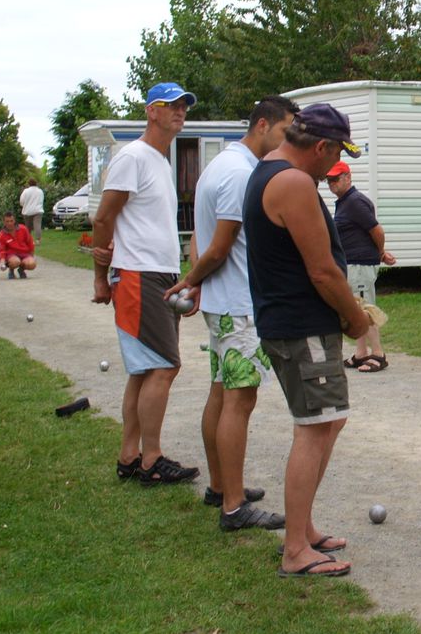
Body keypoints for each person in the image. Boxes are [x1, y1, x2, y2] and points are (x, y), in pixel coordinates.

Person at [244, 102, 370, 578]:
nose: (334, 163)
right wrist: (355, 319)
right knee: (315, 427)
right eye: (335, 152)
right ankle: (296, 550)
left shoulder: (267, 170)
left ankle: (305, 528)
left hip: (290, 322)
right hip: (301, 326)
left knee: (327, 422)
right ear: (321, 146)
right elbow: (322, 271)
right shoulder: (294, 182)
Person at [166, 96, 298, 531]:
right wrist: (193, 279)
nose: (287, 141)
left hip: (224, 305)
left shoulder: (220, 165)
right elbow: (219, 248)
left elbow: (200, 237)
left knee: (222, 394)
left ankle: (221, 486)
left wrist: (199, 280)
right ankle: (235, 507)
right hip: (239, 307)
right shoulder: (242, 175)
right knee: (240, 400)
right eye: (284, 132)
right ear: (262, 125)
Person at [91, 82, 201, 486]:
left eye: (183, 106)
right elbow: (103, 219)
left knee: (144, 371)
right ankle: (152, 459)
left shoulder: (160, 160)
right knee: (164, 366)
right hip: (138, 273)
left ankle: (129, 456)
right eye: (171, 105)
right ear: (151, 111)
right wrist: (102, 276)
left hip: (156, 273)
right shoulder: (132, 157)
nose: (180, 111)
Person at [326, 160, 396, 373]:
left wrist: (380, 253)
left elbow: (377, 231)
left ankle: (378, 354)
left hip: (360, 264)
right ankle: (361, 353)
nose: (332, 184)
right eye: (329, 180)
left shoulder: (355, 201)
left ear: (348, 177)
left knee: (365, 309)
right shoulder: (344, 202)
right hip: (351, 264)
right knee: (354, 308)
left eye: (336, 179)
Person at [0, 211, 37, 279]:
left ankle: (21, 270)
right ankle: (11, 271)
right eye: (7, 221)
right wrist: (2, 263)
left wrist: (31, 256)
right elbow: (2, 251)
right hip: (11, 255)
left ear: (14, 220)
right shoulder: (1, 235)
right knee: (15, 261)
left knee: (32, 264)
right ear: (4, 222)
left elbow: (30, 243)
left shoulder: (23, 229)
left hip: (24, 253)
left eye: (11, 221)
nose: (9, 223)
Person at [19, 178, 44, 243]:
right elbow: (41, 200)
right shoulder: (40, 191)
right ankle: (38, 240)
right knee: (37, 225)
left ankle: (29, 240)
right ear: (36, 183)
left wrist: (24, 205)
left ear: (28, 184)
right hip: (38, 210)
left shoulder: (26, 191)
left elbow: (21, 201)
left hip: (27, 211)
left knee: (28, 227)